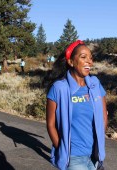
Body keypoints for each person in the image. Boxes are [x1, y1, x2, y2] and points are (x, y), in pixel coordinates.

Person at [46, 40, 108, 170]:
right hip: (74, 158)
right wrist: (63, 149)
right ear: (71, 62)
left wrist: (99, 144)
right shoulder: (59, 88)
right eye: (83, 57)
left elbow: (103, 117)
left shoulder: (95, 85)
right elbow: (51, 124)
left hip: (95, 155)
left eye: (90, 58)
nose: (89, 62)